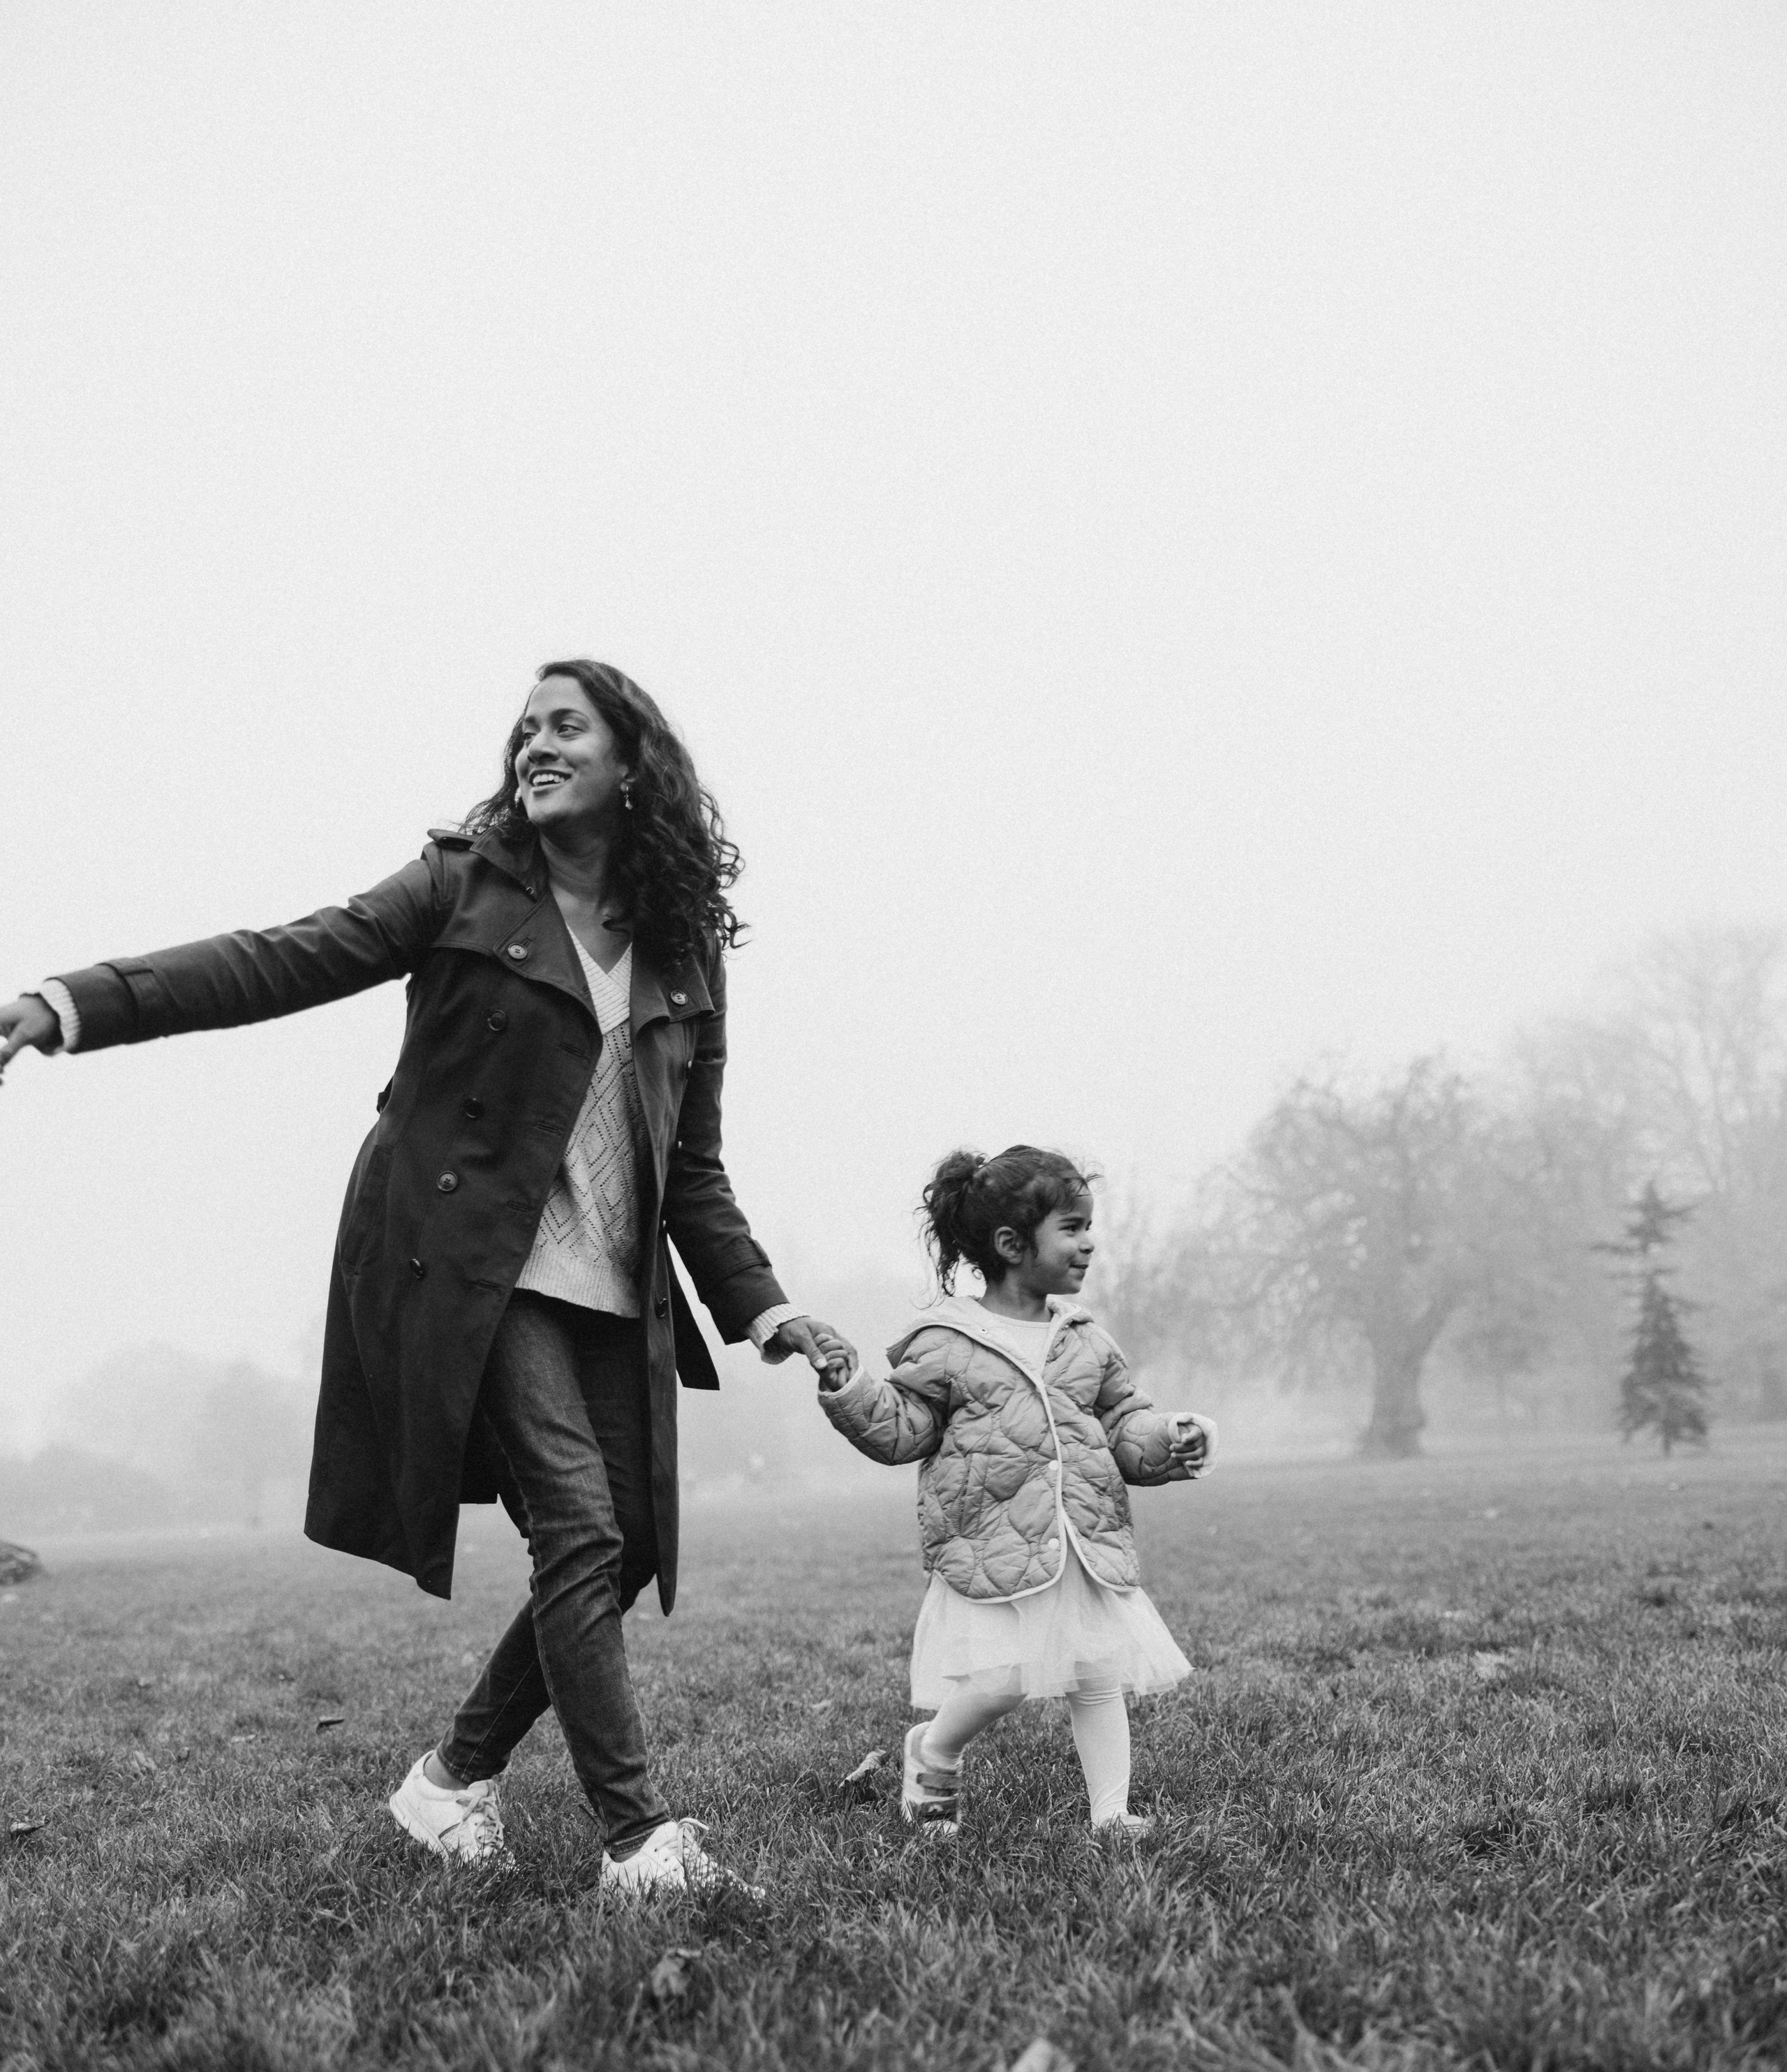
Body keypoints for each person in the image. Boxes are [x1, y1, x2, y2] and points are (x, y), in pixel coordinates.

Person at [0, 658, 854, 1893]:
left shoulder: (682, 955)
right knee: (576, 1523)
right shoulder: (463, 886)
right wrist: (74, 1003)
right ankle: (638, 1843)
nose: (536, 745)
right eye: (525, 730)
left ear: (634, 764)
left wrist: (766, 1307)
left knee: (621, 1552)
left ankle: (451, 1784)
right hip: (469, 1264)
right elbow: (275, 960)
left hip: (610, 1289)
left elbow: (694, 1169)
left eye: (568, 727)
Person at [813, 1145, 1213, 1837]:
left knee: (1097, 1672)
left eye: (1089, 1225)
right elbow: (902, 1429)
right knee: (1000, 1680)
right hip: (991, 1542)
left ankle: (1111, 1813)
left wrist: (1171, 1435)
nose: (1089, 1241)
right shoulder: (948, 1342)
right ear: (1010, 1243)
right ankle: (933, 1750)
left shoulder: (1085, 1340)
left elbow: (1123, 1422)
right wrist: (850, 1388)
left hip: (1081, 1540)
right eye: (1072, 1226)